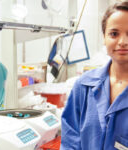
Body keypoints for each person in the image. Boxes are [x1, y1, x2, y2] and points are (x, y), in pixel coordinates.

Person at [60, 1, 128, 150]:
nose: (123, 42)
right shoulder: (84, 85)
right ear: (104, 37)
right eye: (114, 34)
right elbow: (70, 140)